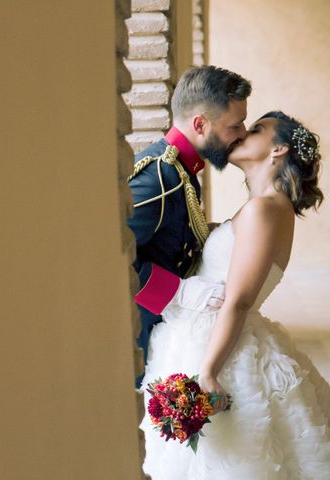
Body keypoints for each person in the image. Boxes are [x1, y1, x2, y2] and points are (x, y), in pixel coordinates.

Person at [138, 111, 330, 478]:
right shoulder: (265, 208)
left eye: (256, 128)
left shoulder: (265, 209)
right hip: (201, 334)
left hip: (218, 347)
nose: (242, 133)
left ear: (278, 149)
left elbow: (239, 300)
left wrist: (208, 372)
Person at [127, 65, 252, 389]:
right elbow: (111, 254)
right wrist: (177, 291)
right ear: (200, 124)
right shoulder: (158, 178)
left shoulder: (181, 171)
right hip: (138, 335)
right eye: (235, 125)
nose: (242, 133)